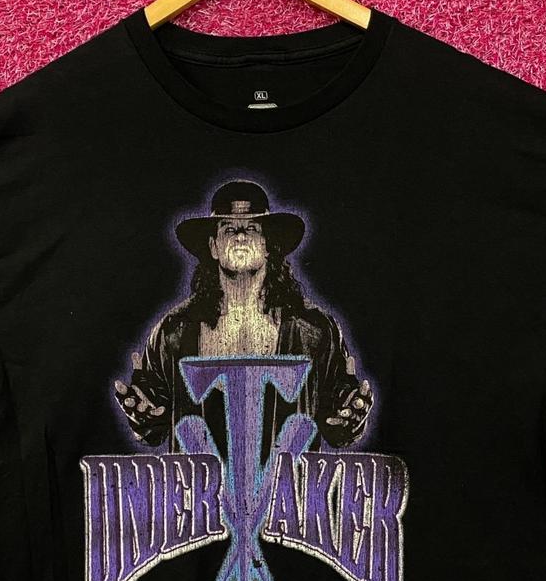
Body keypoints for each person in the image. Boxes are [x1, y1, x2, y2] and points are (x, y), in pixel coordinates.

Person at [113, 180, 373, 457]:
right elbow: (153, 427)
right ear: (213, 246)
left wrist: (351, 416)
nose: (240, 237)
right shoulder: (174, 331)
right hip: (200, 485)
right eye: (229, 229)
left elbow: (338, 427)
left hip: (288, 485)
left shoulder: (314, 329)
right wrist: (143, 414)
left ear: (267, 244)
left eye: (251, 228)